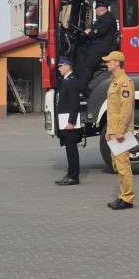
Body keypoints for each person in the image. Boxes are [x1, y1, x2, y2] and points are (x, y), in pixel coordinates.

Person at [103, 51, 135, 210]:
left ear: (117, 63)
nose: (106, 63)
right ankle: (123, 194)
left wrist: (121, 131)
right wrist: (110, 131)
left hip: (121, 133)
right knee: (116, 165)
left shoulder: (124, 83)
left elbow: (126, 109)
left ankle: (127, 198)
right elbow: (113, 111)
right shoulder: (114, 82)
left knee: (123, 166)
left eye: (109, 61)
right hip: (114, 132)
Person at [76, 0, 117, 95]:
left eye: (96, 10)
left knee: (87, 64)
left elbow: (100, 31)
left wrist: (89, 32)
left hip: (102, 47)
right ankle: (78, 76)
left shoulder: (108, 17)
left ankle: (83, 89)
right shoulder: (104, 18)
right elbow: (96, 29)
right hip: (97, 45)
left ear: (100, 9)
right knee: (81, 50)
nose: (95, 12)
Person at [55, 58, 81, 186]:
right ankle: (70, 174)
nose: (59, 69)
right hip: (64, 120)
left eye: (61, 66)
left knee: (71, 149)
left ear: (67, 67)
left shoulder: (71, 81)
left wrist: (71, 122)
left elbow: (75, 103)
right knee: (69, 149)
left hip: (69, 121)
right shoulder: (66, 81)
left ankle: (73, 176)